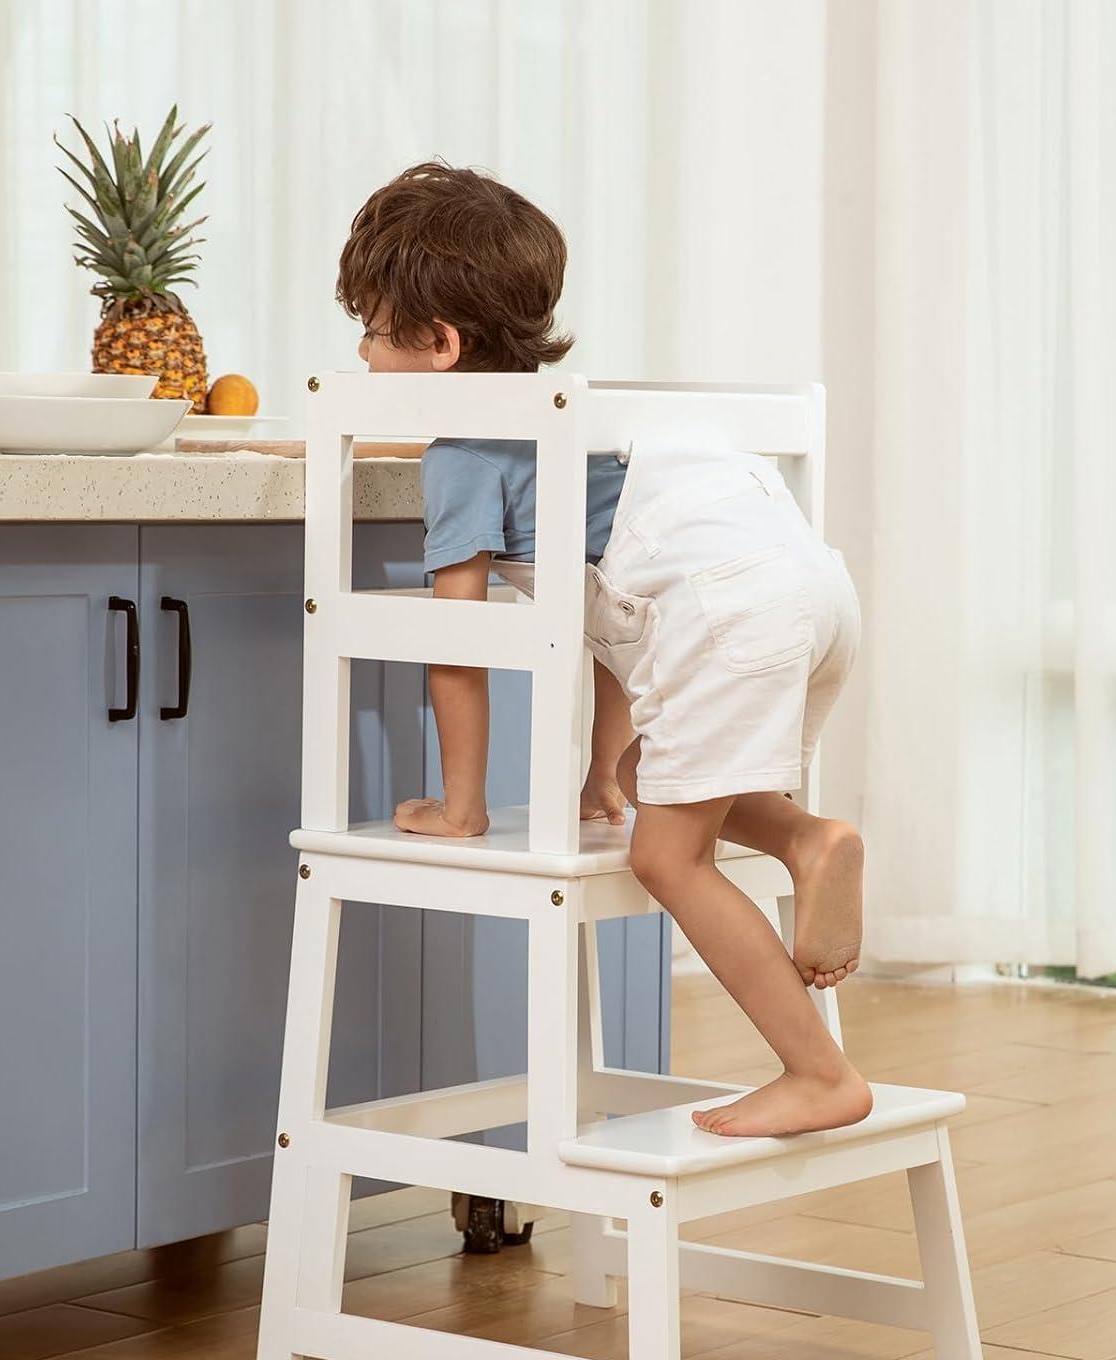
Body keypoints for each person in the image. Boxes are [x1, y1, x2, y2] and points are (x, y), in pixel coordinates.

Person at [335, 162, 871, 1137]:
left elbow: (458, 647)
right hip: (807, 589)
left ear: (440, 345)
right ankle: (804, 838)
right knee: (649, 779)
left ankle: (817, 1072)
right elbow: (614, 616)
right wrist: (599, 771)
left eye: (371, 330)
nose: (362, 353)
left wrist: (461, 809)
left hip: (720, 619)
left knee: (670, 858)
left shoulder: (467, 457)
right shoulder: (587, 427)